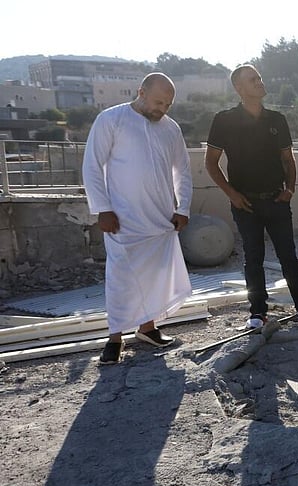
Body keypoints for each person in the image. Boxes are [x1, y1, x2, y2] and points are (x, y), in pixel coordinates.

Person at [82, 72, 192, 365]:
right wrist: (102, 208)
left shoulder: (171, 129)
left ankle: (148, 329)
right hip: (122, 219)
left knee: (155, 275)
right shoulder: (112, 119)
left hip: (160, 219)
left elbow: (182, 171)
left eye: (167, 104)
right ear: (141, 92)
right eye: (158, 101)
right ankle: (114, 338)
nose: (162, 109)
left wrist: (183, 209)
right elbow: (92, 165)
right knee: (121, 278)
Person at [205, 64, 298, 328]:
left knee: (289, 257)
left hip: (277, 200)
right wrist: (232, 194)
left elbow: (288, 160)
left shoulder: (277, 120)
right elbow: (211, 163)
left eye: (259, 77)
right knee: (253, 258)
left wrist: (289, 189)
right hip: (245, 203)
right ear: (239, 88)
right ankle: (257, 312)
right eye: (253, 79)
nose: (260, 82)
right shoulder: (224, 120)